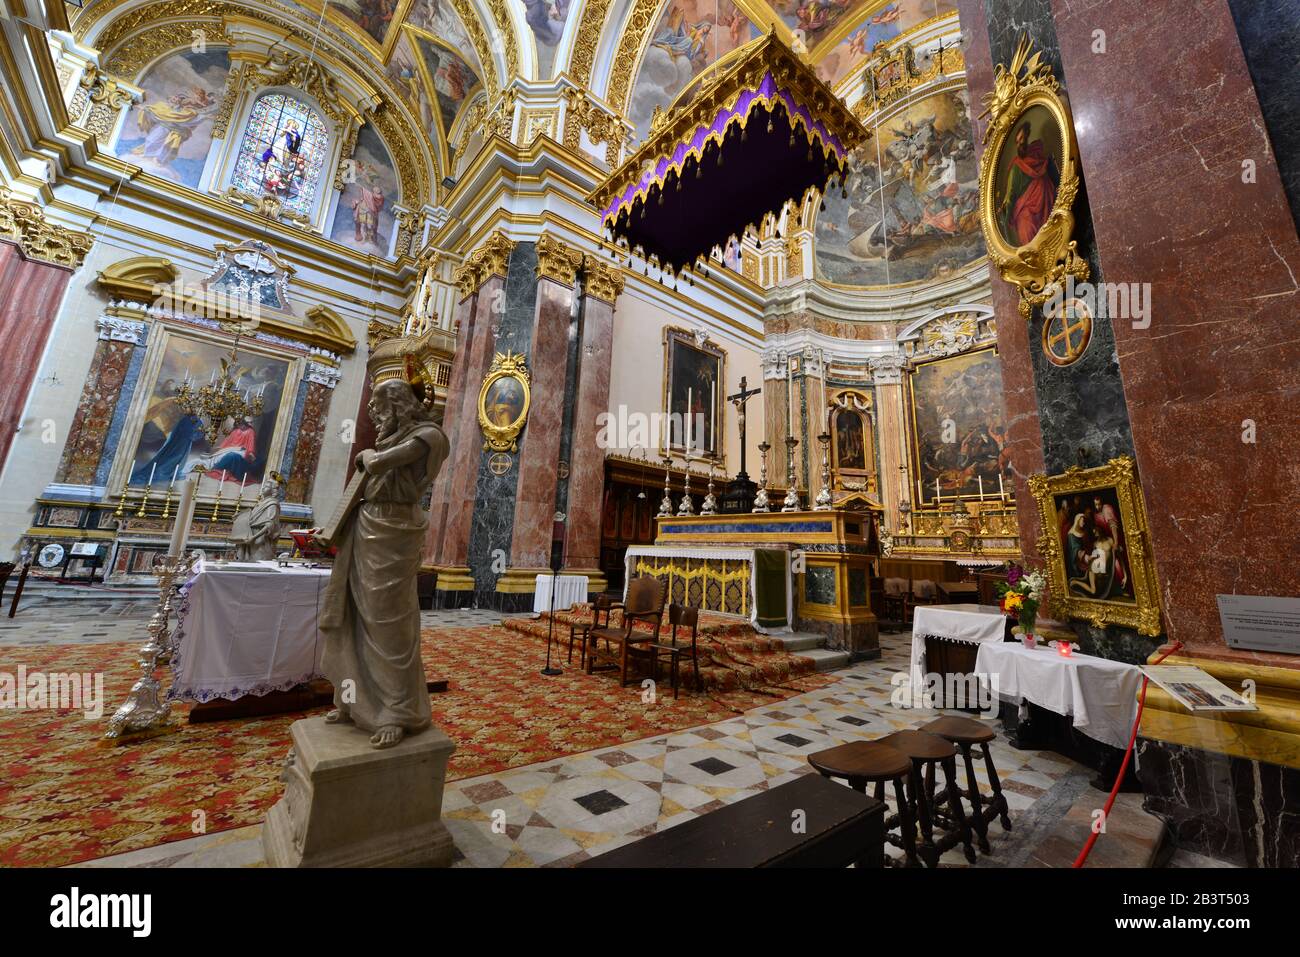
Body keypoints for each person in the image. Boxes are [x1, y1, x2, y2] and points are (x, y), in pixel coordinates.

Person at [315, 379, 449, 749]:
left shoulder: (429, 435)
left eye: (377, 403)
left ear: (399, 403)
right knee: (354, 614)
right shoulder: (393, 437)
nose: (372, 410)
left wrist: (368, 457)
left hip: (395, 531)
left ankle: (397, 709)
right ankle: (352, 698)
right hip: (368, 525)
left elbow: (382, 461)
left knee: (389, 621)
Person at [999, 121, 1059, 245]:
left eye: (1021, 138)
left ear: (1026, 136)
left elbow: (1052, 174)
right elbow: (1010, 196)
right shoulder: (1016, 167)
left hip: (1047, 205)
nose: (1019, 143)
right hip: (1027, 214)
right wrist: (1005, 216)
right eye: (1017, 141)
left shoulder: (1038, 156)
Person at [229, 475, 283, 561]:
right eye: (264, 486)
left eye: (266, 486)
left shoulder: (272, 504)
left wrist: (253, 538)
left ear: (273, 490)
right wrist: (240, 516)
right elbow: (252, 517)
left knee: (258, 565)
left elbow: (269, 525)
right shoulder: (261, 503)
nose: (263, 488)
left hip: (260, 541)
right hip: (252, 538)